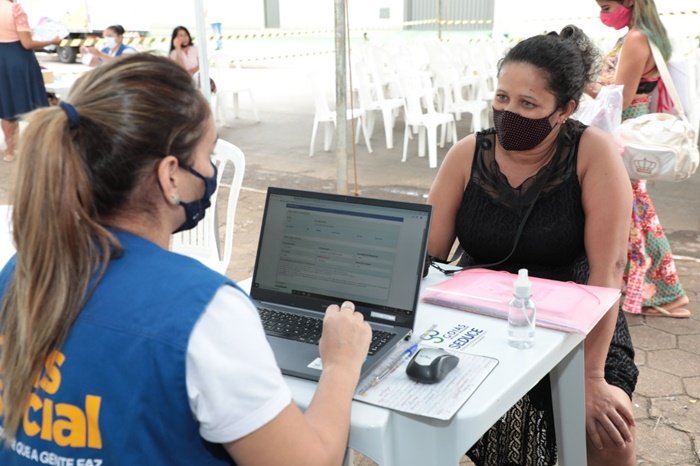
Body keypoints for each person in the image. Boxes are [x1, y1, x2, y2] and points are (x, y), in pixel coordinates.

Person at [0, 53, 372, 465]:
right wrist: (340, 364)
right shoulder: (204, 309)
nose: (211, 169)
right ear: (170, 175)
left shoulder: (21, 273)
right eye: (208, 154)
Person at [427, 26, 637, 466]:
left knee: (607, 436)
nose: (508, 113)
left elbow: (609, 269)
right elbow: (427, 254)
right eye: (502, 98)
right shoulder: (468, 154)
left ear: (565, 110)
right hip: (484, 315)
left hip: (582, 314)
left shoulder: (592, 153)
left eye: (527, 104)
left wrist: (591, 376)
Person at [591, 0, 691, 319]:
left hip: (626, 131)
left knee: (636, 210)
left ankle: (668, 293)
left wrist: (580, 82)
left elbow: (618, 98)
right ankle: (645, 286)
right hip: (629, 129)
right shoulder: (639, 34)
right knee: (632, 209)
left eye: (607, 6)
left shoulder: (636, 38)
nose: (603, 14)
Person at [0, 0, 61, 162]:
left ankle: (9, 151)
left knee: (6, 105)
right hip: (18, 59)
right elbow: (27, 43)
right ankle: (36, 148)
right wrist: (52, 41)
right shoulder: (15, 9)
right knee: (31, 104)